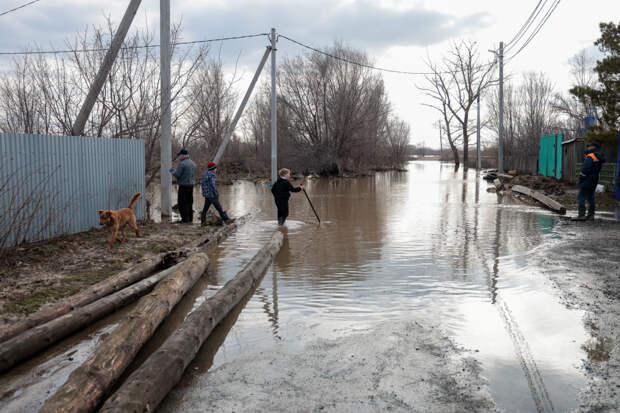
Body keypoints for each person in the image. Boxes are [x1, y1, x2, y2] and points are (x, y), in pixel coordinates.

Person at [573, 141, 606, 221]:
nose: (588, 147)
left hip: (587, 180)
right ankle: (591, 215)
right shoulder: (598, 156)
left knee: (581, 197)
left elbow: (585, 169)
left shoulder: (591, 156)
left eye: (589, 146)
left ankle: (581, 215)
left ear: (593, 147)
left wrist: (581, 177)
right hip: (594, 180)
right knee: (591, 197)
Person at [169, 148, 196, 223]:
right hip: (191, 186)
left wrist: (171, 171)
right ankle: (190, 219)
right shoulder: (193, 163)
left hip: (183, 186)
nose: (179, 157)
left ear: (183, 155)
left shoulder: (182, 163)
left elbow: (177, 175)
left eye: (179, 155)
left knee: (182, 204)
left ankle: (184, 220)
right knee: (189, 203)